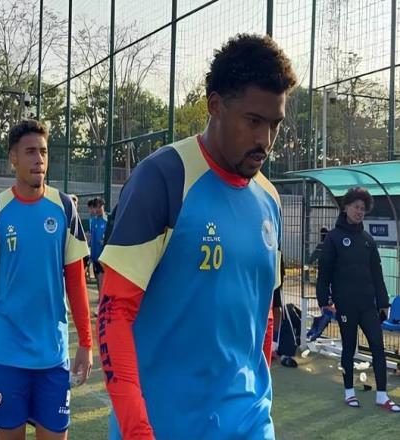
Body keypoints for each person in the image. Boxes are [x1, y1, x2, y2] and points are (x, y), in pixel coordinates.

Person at [97, 34, 297, 439]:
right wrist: (136, 429)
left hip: (250, 422)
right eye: (253, 121)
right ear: (215, 105)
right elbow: (114, 311)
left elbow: (264, 309)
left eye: (274, 124)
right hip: (162, 426)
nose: (265, 140)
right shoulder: (164, 178)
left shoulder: (270, 199)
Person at [0, 119, 94, 439]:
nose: (39, 159)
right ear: (13, 158)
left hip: (52, 355)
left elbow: (76, 282)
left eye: (44, 152)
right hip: (7, 356)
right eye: (30, 152)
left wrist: (86, 343)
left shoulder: (64, 208)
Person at [317, 187, 398, 412]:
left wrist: (383, 303)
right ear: (346, 207)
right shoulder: (333, 238)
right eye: (356, 207)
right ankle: (349, 392)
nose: (359, 212)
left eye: (363, 208)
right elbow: (324, 273)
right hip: (345, 305)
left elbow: (377, 274)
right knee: (349, 348)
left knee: (378, 346)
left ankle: (382, 396)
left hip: (367, 305)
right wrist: (324, 300)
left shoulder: (368, 240)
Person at [89, 197, 107, 292]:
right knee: (98, 279)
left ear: (103, 206)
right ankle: (101, 297)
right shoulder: (93, 221)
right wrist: (92, 256)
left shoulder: (108, 221)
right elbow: (92, 239)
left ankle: (102, 298)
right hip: (95, 256)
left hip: (104, 257)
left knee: (102, 279)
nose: (98, 209)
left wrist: (104, 241)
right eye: (96, 207)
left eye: (100, 207)